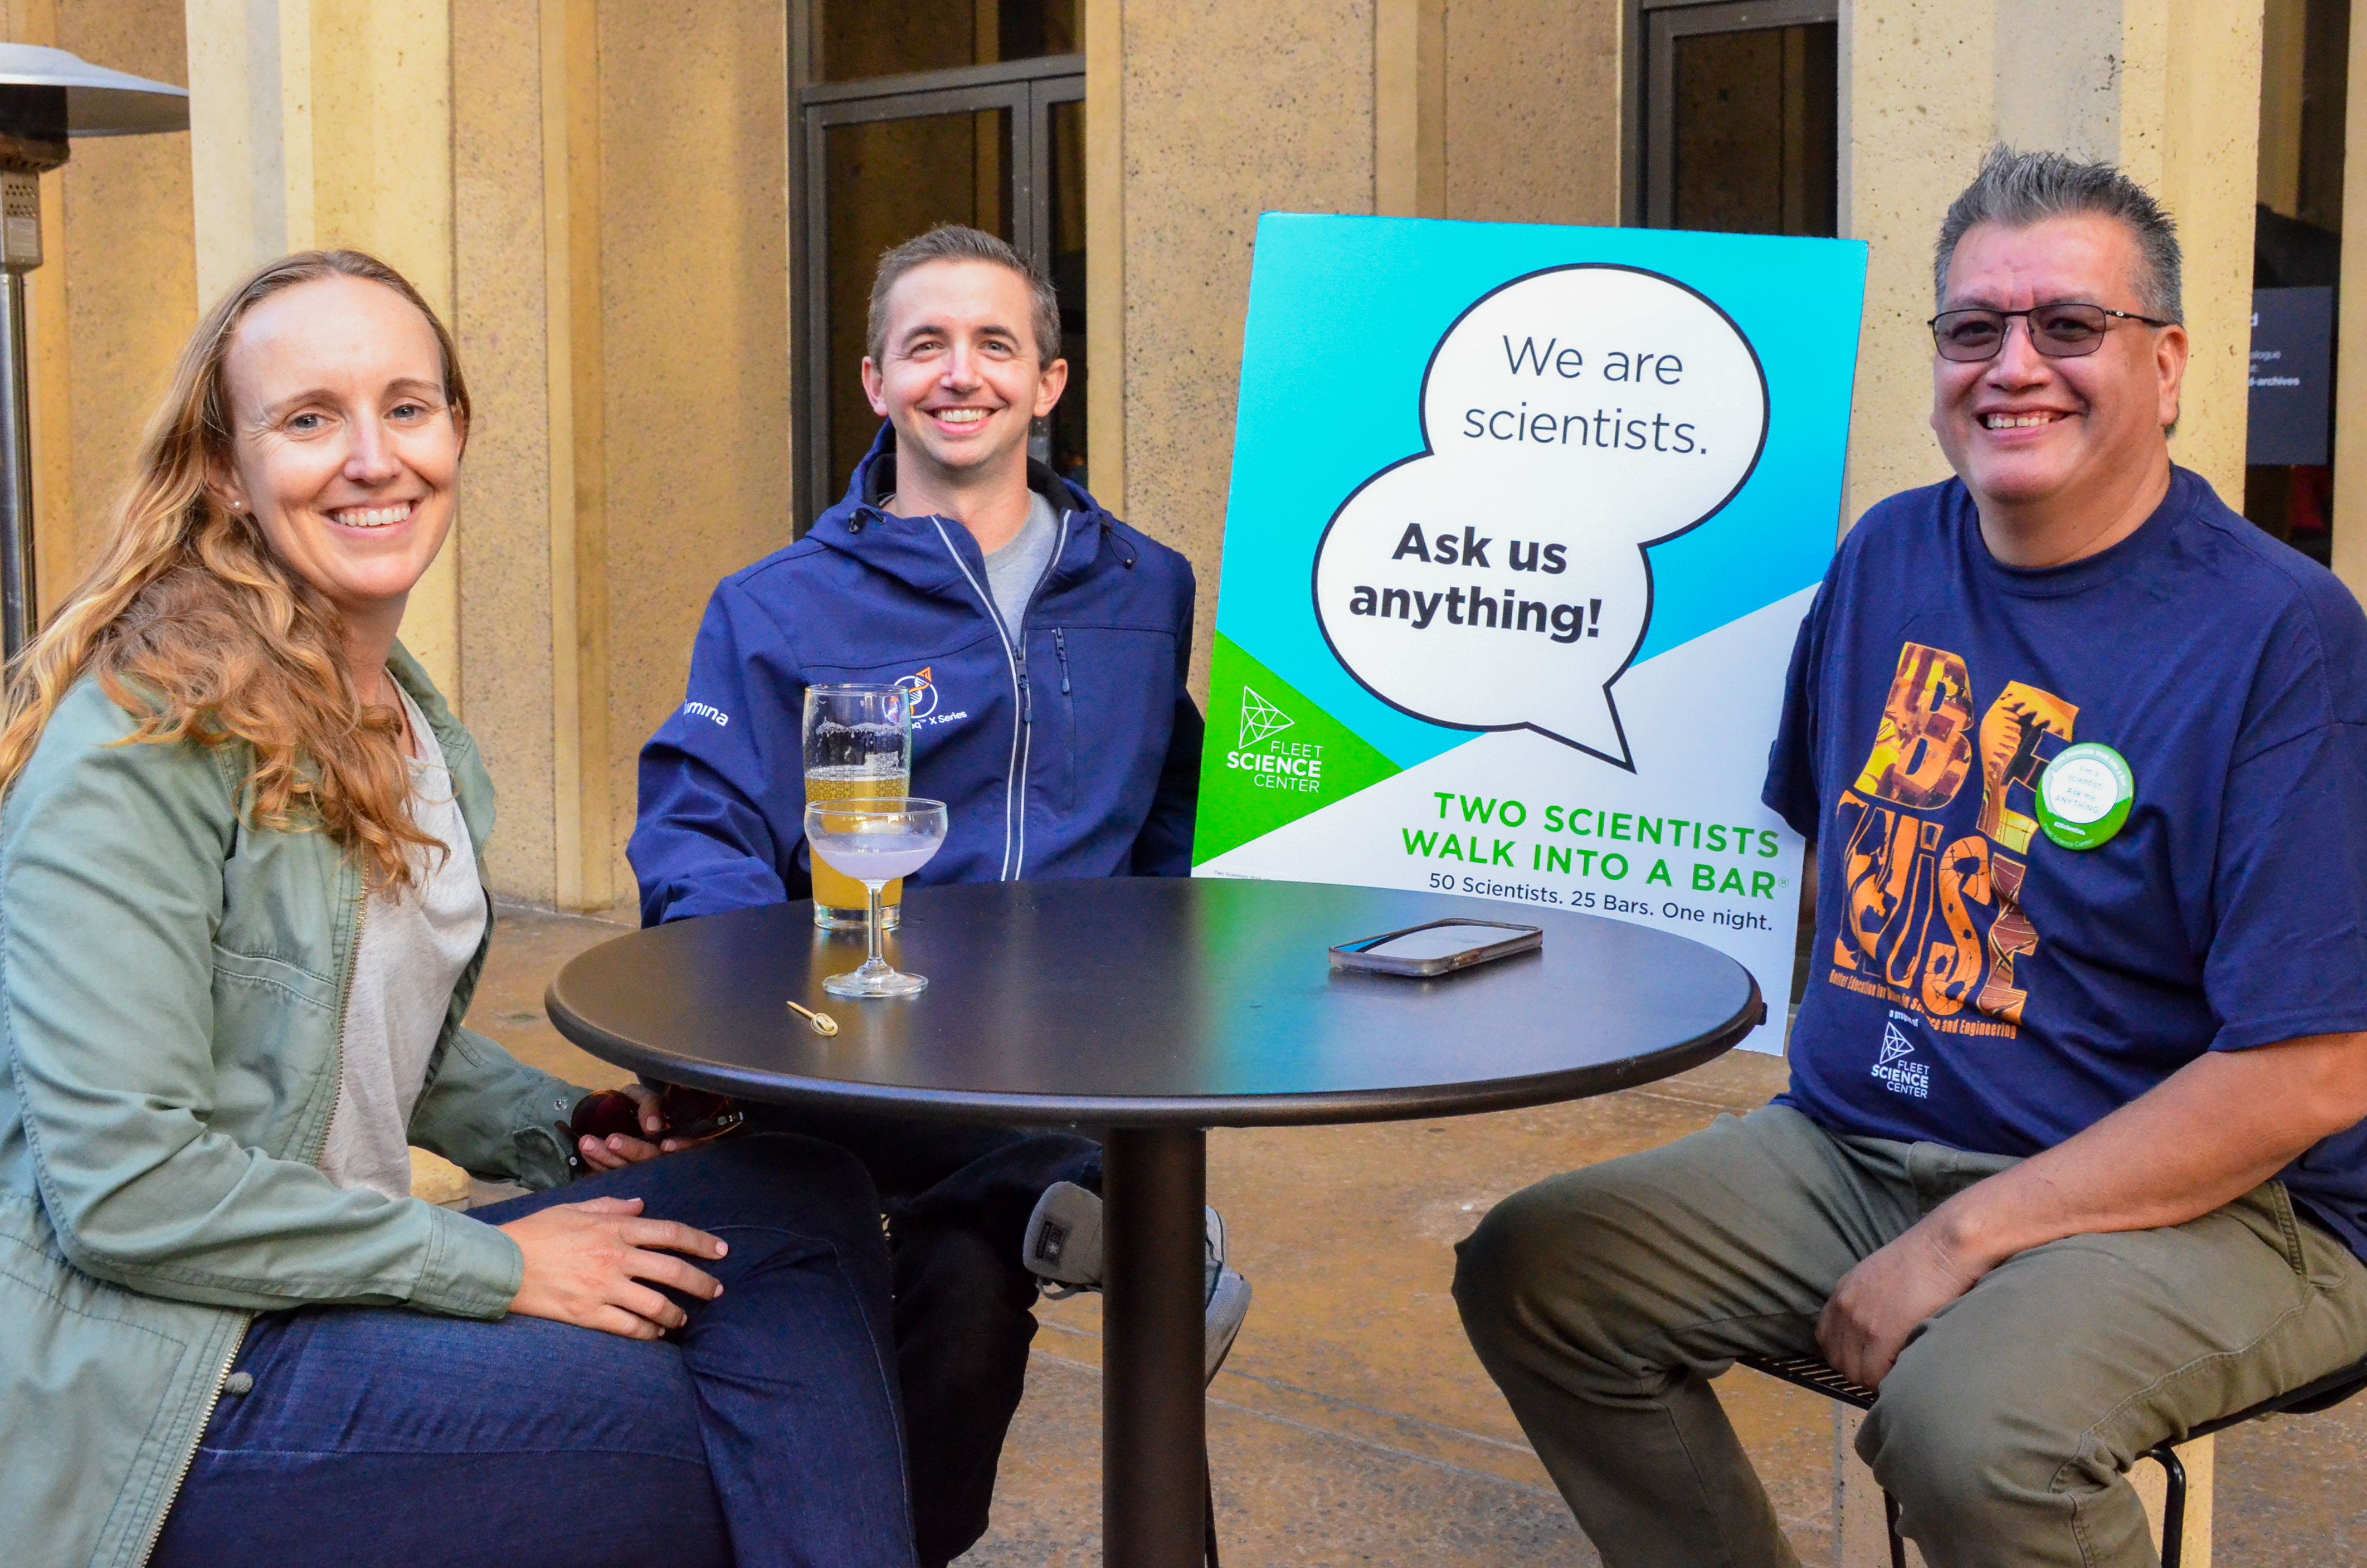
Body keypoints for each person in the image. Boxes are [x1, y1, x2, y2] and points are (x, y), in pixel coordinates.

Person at [1453, 148, 2367, 1567]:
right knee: (1540, 1272)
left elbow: (2314, 1068)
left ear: (2170, 364)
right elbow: (1827, 856)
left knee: (1971, 1433)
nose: (2016, 367)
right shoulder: (1887, 556)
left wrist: (1959, 1243)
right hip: (1860, 1145)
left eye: (2070, 326)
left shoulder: (2281, 638)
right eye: (1973, 329)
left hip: (2233, 1204)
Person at [0, 249, 914, 1568]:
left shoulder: (398, 715)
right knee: (700, 1423)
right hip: (175, 1367)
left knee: (802, 1193)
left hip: (323, 1271)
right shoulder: (144, 740)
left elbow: (345, 1037)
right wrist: (503, 1267)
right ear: (224, 469)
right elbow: (127, 1189)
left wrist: (569, 1132)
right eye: (310, 419)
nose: (373, 457)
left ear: (458, 430)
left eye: (407, 407)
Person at [630, 223, 1240, 1567]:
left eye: (994, 346)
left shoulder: (1148, 585)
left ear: (1048, 382)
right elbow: (698, 821)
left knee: (962, 1316)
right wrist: (747, 990)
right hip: (854, 1053)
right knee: (968, 1269)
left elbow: (1176, 802)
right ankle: (1094, 1213)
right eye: (926, 346)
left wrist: (1188, 964)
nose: (959, 374)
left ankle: (1074, 1195)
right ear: (875, 382)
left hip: (1069, 1054)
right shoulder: (777, 604)